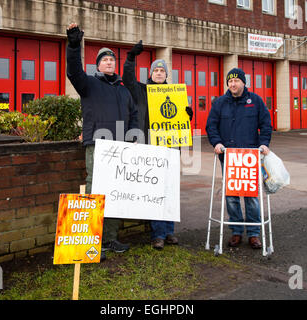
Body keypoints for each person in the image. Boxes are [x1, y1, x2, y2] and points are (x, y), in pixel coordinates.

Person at [66, 23, 138, 258]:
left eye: (112, 60)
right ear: (97, 64)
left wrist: (134, 137)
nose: (109, 62)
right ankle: (89, 242)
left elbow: (134, 115)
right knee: (94, 189)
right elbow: (73, 71)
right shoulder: (89, 84)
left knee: (114, 192)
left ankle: (109, 239)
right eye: (105, 60)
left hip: (119, 148)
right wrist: (74, 45)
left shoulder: (123, 89)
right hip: (97, 145)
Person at [122, 40, 193, 250]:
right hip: (150, 147)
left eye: (162, 70)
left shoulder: (174, 93)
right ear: (150, 73)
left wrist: (187, 114)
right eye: (156, 70)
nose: (159, 73)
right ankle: (158, 234)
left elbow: (179, 121)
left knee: (170, 190)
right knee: (155, 191)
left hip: (171, 148)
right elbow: (127, 78)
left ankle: (169, 231)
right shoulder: (141, 90)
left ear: (166, 74)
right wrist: (130, 58)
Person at [206, 67, 272, 249]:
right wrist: (217, 143)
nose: (233, 84)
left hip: (250, 157)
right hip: (229, 157)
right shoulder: (219, 103)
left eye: (236, 81)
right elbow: (211, 126)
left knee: (251, 197)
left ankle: (253, 233)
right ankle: (236, 231)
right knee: (232, 196)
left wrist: (264, 143)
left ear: (244, 82)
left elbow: (266, 124)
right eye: (230, 81)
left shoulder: (256, 101)